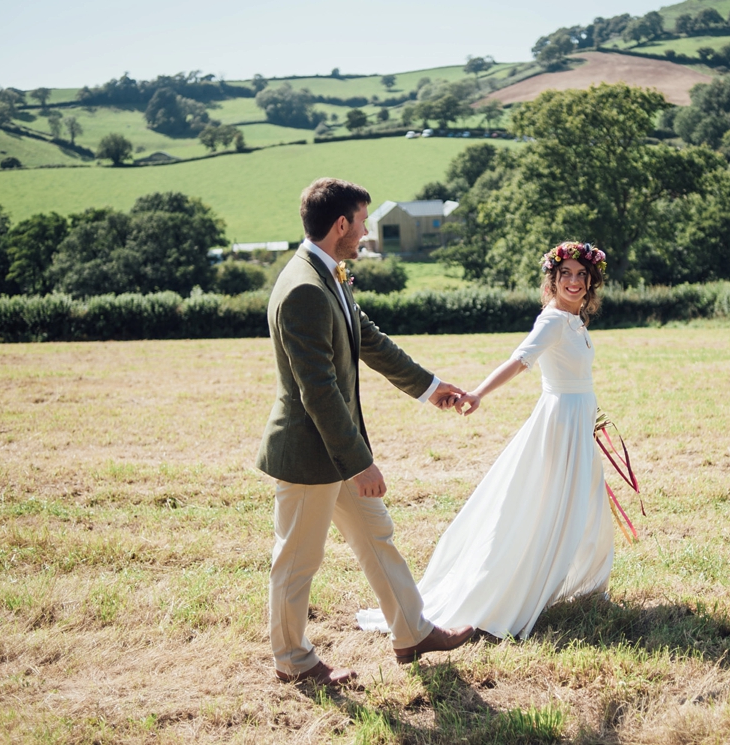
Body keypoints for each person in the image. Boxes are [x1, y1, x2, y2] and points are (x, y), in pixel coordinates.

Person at [257, 177, 475, 687]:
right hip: (312, 454)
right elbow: (319, 392)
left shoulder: (327, 274)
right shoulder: (306, 289)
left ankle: (412, 633)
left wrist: (430, 387)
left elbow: (368, 340)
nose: (366, 232)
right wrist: (359, 461)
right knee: (297, 560)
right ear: (340, 225)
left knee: (377, 536)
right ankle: (293, 661)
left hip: (336, 451)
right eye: (362, 222)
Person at [358, 241, 616, 640]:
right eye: (566, 274)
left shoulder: (575, 321)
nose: (575, 282)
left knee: (582, 499)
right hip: (559, 423)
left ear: (592, 281)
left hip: (576, 419)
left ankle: (574, 581)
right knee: (546, 505)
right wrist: (478, 392)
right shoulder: (551, 320)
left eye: (582, 275)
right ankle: (515, 589)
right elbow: (519, 361)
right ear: (554, 278)